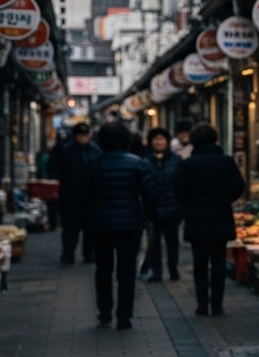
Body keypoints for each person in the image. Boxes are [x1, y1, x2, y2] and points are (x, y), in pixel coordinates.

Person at [80, 122, 157, 329]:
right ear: (127, 140)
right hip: (130, 225)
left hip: (101, 224)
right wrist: (148, 217)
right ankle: (124, 316)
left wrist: (87, 219)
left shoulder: (93, 165)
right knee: (127, 271)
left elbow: (84, 197)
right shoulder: (138, 163)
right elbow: (149, 194)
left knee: (103, 269)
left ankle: (104, 312)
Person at [180, 123, 245, 316]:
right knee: (218, 261)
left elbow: (179, 190)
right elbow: (238, 186)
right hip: (220, 217)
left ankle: (202, 304)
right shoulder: (225, 162)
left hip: (196, 219)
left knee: (199, 263)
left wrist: (190, 204)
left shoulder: (188, 164)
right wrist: (225, 199)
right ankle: (217, 304)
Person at [49, 123, 100, 264]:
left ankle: (89, 254)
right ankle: (68, 253)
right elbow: (56, 169)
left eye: (85, 135)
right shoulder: (66, 151)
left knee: (89, 228)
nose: (83, 138)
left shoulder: (95, 151)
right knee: (70, 228)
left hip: (89, 196)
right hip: (70, 195)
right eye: (80, 135)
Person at [141, 127, 186, 282]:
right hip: (152, 210)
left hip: (172, 209)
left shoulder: (176, 161)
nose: (158, 142)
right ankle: (157, 272)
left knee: (172, 242)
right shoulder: (145, 162)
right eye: (155, 139)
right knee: (153, 243)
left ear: (167, 141)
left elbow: (181, 185)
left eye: (161, 139)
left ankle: (173, 270)